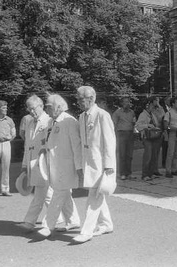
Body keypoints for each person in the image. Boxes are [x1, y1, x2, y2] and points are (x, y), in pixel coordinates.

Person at [18, 95, 79, 232]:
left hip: (46, 162)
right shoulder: (30, 122)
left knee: (45, 193)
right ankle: (71, 220)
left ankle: (31, 221)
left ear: (40, 106)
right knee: (59, 192)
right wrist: (24, 164)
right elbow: (28, 145)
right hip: (35, 163)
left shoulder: (49, 121)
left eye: (33, 108)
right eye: (29, 109)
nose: (31, 112)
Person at [72, 86, 116, 243]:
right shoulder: (82, 116)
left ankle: (86, 231)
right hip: (88, 162)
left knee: (94, 197)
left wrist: (109, 165)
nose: (77, 102)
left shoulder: (102, 115)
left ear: (91, 99)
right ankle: (106, 224)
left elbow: (110, 141)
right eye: (77, 99)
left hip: (101, 163)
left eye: (80, 99)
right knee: (96, 192)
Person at [36, 94, 82, 238]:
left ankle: (48, 225)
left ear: (59, 107)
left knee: (58, 194)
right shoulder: (52, 122)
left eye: (49, 107)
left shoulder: (69, 121)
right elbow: (51, 141)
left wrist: (79, 167)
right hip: (54, 165)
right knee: (64, 193)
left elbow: (77, 146)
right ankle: (73, 220)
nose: (47, 109)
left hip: (66, 166)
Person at [135, 98, 161, 181]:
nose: (153, 107)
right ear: (147, 106)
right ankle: (145, 174)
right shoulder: (143, 115)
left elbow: (157, 122)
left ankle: (151, 173)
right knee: (148, 156)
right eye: (151, 105)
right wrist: (147, 125)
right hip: (147, 137)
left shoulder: (152, 115)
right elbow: (138, 126)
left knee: (153, 155)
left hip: (153, 136)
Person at [112, 97, 135, 180]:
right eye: (125, 102)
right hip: (121, 133)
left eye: (128, 102)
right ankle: (122, 173)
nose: (127, 104)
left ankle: (129, 173)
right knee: (122, 154)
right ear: (122, 103)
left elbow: (133, 122)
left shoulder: (132, 112)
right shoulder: (117, 112)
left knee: (129, 154)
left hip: (130, 133)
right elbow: (113, 123)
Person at [163, 96, 177, 178]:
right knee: (170, 153)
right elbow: (166, 126)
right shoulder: (168, 113)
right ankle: (168, 171)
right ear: (173, 104)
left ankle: (175, 169)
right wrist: (175, 128)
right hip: (172, 133)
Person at [150, 96, 165, 176]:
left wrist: (159, 106)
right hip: (152, 132)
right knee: (152, 152)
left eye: (158, 100)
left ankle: (155, 168)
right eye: (156, 100)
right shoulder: (150, 110)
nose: (157, 102)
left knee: (157, 151)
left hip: (159, 131)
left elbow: (163, 116)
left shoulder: (160, 109)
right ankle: (151, 169)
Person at [160, 96, 171, 168]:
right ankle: (164, 162)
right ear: (165, 101)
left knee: (170, 147)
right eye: (168, 100)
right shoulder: (163, 109)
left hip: (171, 129)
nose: (170, 101)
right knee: (165, 146)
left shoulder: (172, 109)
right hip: (165, 129)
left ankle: (169, 162)